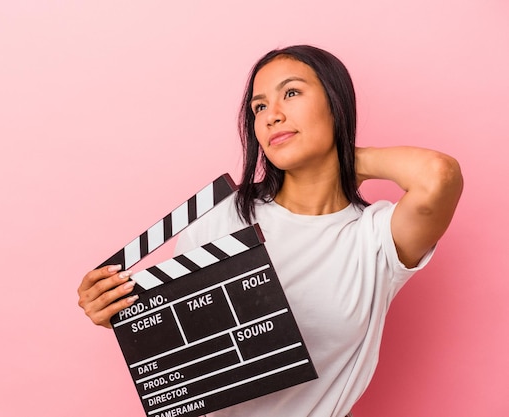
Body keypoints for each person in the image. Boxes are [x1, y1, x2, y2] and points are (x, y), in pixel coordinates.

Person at [77, 45, 463, 417]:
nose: (271, 115)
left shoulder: (376, 237)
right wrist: (119, 312)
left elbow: (439, 176)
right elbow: (187, 346)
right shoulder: (222, 216)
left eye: (291, 93)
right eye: (259, 106)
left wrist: (343, 157)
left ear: (336, 105)